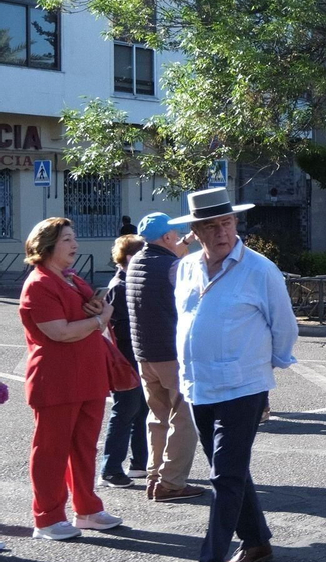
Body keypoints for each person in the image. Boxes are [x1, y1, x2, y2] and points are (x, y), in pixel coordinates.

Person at [169, 189, 297, 562]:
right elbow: (185, 321)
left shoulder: (260, 270)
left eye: (226, 223)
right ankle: (257, 541)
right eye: (211, 226)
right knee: (230, 470)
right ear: (196, 231)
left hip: (243, 386)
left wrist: (264, 366)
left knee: (224, 476)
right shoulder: (186, 268)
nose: (221, 232)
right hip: (199, 385)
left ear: (236, 223)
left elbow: (285, 327)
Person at [17, 218, 124, 541]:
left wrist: (97, 311)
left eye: (74, 238)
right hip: (56, 380)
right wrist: (99, 319)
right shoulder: (39, 284)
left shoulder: (72, 278)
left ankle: (87, 510)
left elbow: (88, 317)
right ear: (47, 245)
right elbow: (59, 332)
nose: (75, 245)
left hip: (88, 376)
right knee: (51, 451)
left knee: (84, 447)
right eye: (67, 239)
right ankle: (48, 518)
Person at [127, 212, 206, 502]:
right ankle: (171, 483)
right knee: (184, 418)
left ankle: (154, 476)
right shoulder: (173, 267)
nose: (179, 236)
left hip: (144, 354)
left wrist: (187, 242)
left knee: (157, 417)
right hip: (172, 353)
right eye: (176, 233)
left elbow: (170, 257)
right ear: (166, 237)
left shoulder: (136, 261)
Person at [100, 235, 150, 488]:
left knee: (141, 409)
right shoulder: (119, 287)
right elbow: (122, 330)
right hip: (124, 359)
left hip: (133, 356)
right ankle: (110, 469)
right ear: (130, 258)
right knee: (125, 411)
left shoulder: (126, 282)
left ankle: (139, 463)